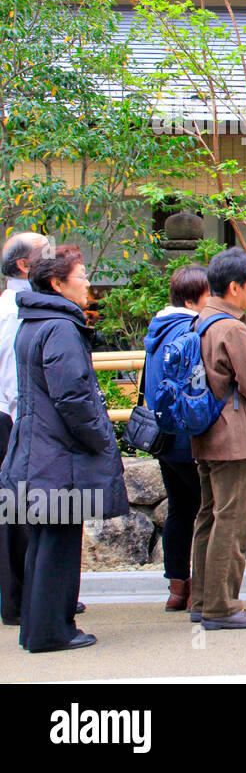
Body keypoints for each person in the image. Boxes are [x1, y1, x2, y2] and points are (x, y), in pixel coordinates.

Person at [0, 244, 129, 652]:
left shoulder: (34, 322)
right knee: (58, 543)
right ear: (57, 283)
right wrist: (99, 438)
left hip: (35, 449)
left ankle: (39, 630)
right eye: (81, 274)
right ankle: (52, 631)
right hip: (59, 454)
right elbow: (73, 396)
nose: (88, 281)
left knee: (43, 542)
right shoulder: (60, 327)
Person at [190, 247, 246, 630]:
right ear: (234, 287)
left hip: (207, 433)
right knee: (232, 518)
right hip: (234, 437)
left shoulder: (200, 321)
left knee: (209, 516)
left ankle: (202, 599)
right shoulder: (231, 328)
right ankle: (222, 606)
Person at [141, 265, 211, 613]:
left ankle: (176, 587)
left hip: (163, 438)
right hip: (190, 437)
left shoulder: (157, 329)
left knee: (180, 510)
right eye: (208, 293)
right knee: (208, 511)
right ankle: (203, 590)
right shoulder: (191, 329)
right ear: (193, 297)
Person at [0, 231, 48, 628]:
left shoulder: (16, 303)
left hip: (14, 417)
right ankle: (22, 600)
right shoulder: (16, 308)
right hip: (13, 419)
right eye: (45, 253)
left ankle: (30, 596)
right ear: (23, 265)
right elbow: (15, 375)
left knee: (20, 511)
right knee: (19, 514)